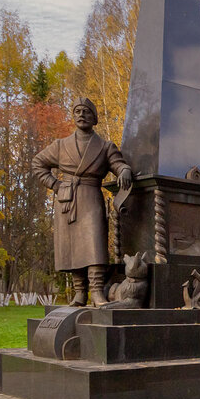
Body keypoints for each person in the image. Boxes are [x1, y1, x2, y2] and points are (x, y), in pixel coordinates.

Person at [32, 99, 133, 307]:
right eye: (77, 111)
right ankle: (80, 293)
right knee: (73, 248)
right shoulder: (61, 145)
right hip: (67, 200)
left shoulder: (105, 147)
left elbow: (119, 164)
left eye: (86, 111)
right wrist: (56, 184)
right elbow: (38, 163)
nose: (81, 115)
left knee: (94, 244)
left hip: (91, 197)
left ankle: (96, 292)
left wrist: (124, 170)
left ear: (94, 117)